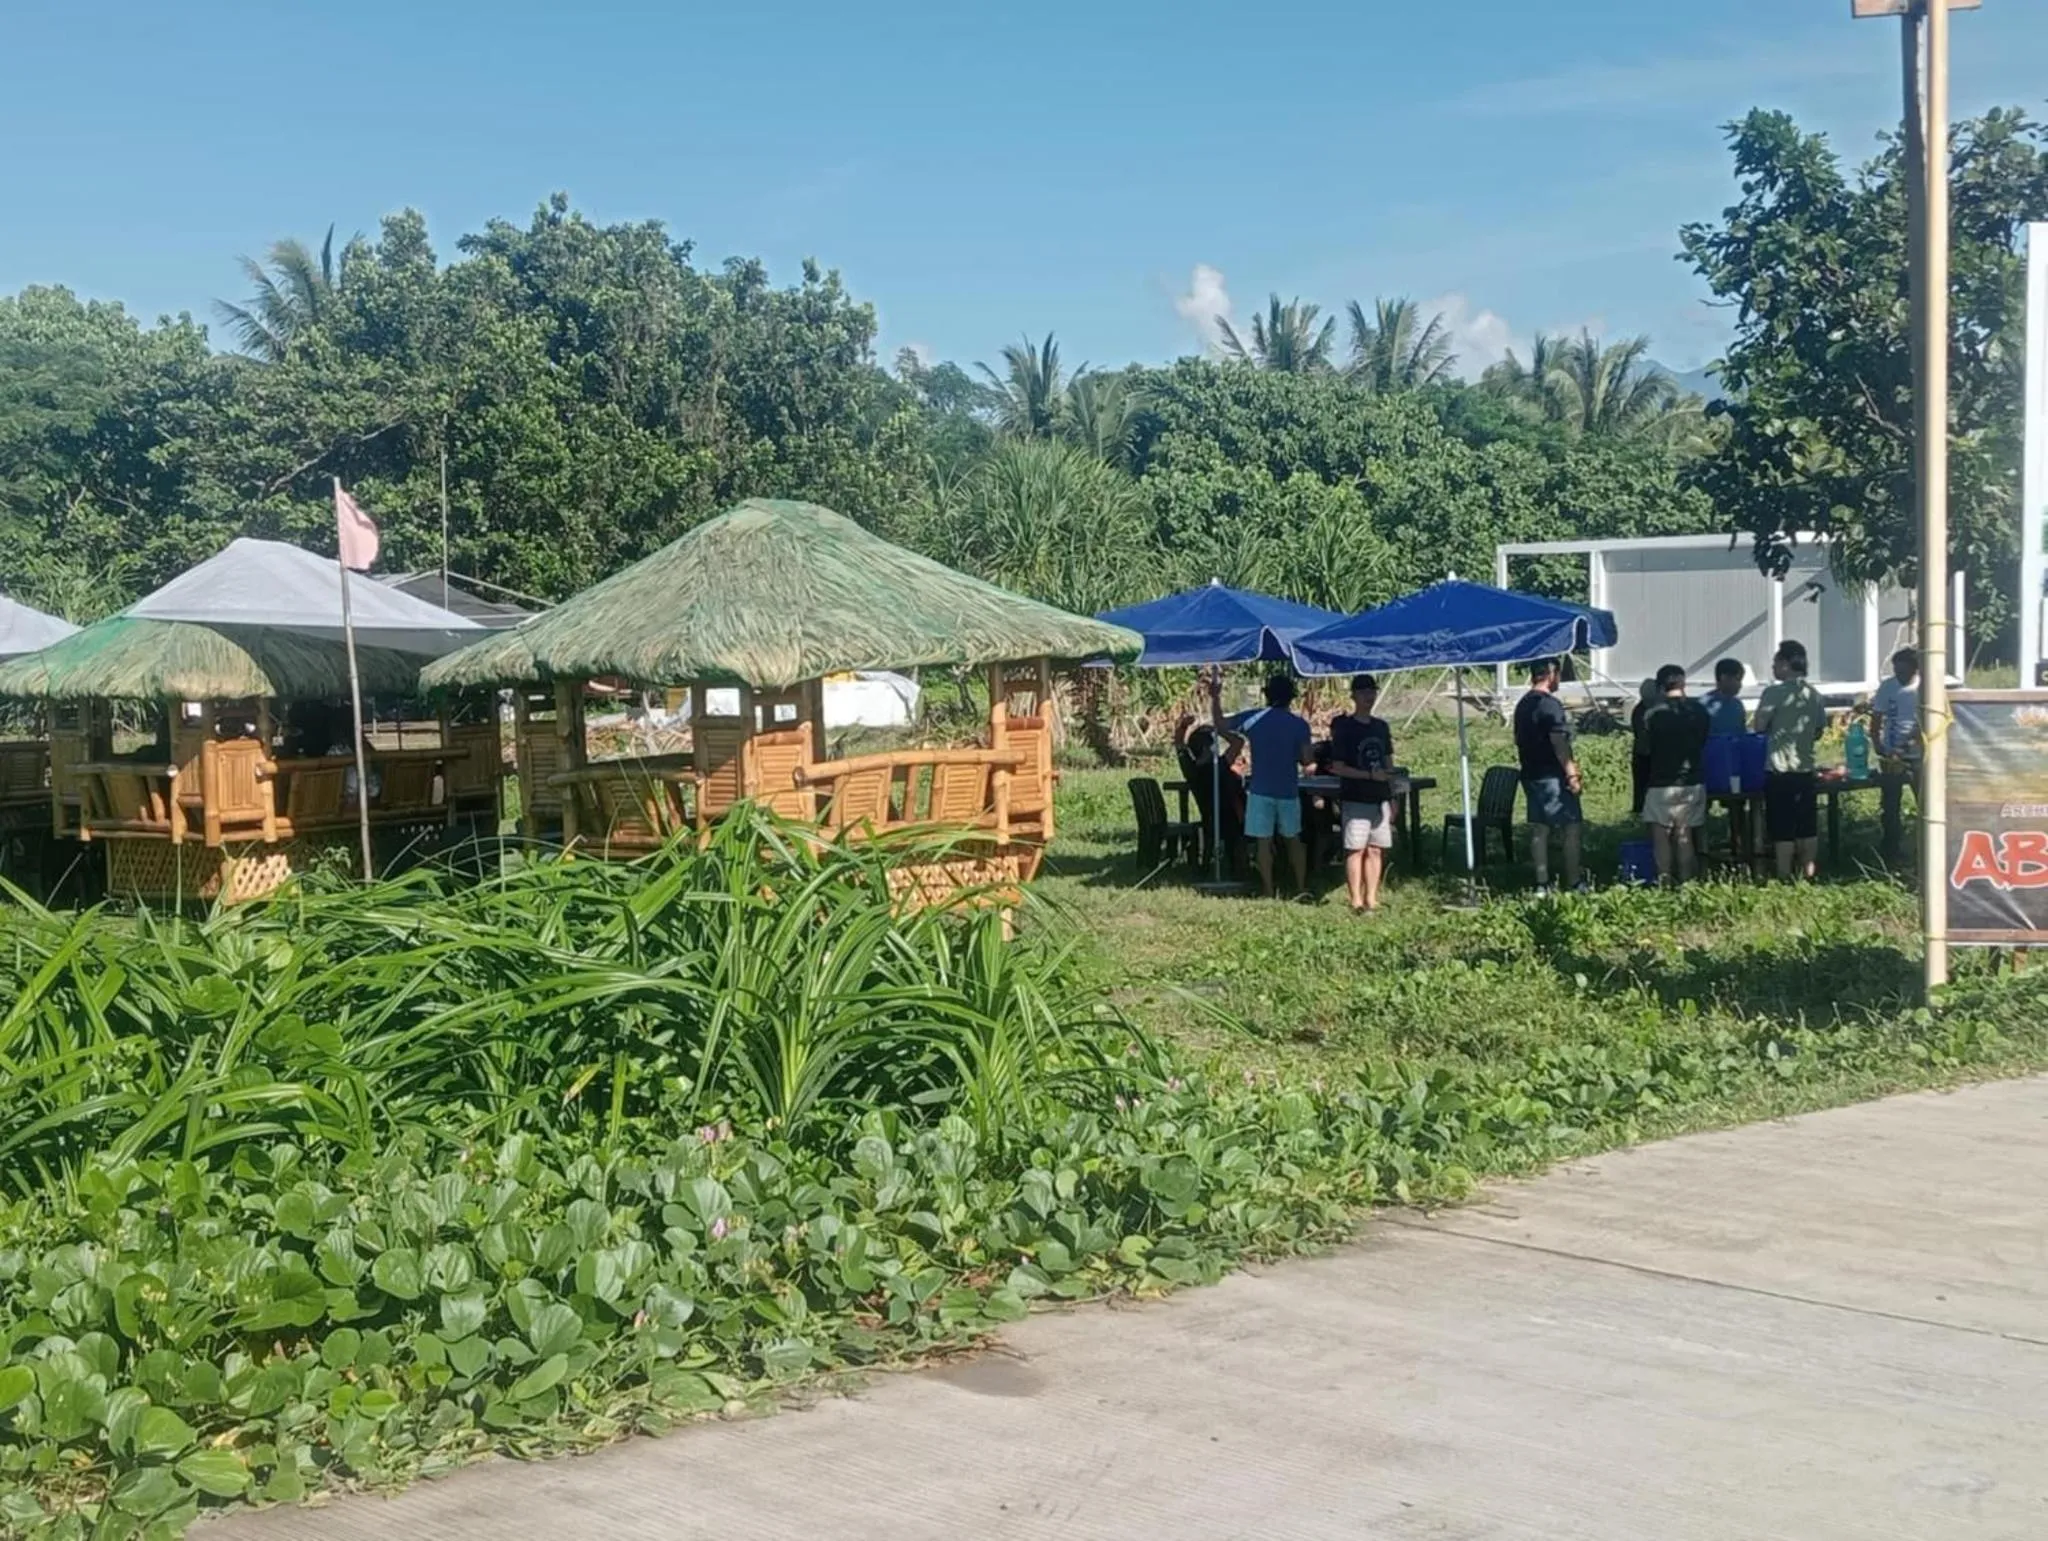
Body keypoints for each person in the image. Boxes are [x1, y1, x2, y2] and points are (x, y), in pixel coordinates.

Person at [1211, 673, 1312, 900]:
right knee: (1294, 840)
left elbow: (1219, 723)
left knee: (1263, 842)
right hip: (1288, 790)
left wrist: (1215, 698)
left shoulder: (1254, 719)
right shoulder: (1299, 725)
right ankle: (1300, 886)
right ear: (1291, 697)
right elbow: (1307, 760)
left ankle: (1267, 889)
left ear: (1267, 695)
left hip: (1260, 790)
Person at [1751, 639, 1826, 881]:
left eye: (1775, 663)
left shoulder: (1774, 692)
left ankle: (1784, 876)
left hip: (1779, 768)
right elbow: (1818, 730)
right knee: (1807, 824)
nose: (1773, 668)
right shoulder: (1813, 694)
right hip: (1805, 768)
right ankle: (1808, 873)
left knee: (1782, 826)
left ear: (1785, 664)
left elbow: (1759, 726)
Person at [1514, 658, 1585, 895]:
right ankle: (1574, 881)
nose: (1560, 680)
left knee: (1540, 828)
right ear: (1551, 674)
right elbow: (1559, 742)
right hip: (1552, 776)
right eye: (1559, 674)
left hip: (1530, 773)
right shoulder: (1550, 705)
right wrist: (1572, 773)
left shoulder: (1523, 705)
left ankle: (1541, 882)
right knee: (1571, 827)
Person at [1328, 674, 1395, 915]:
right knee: (1355, 849)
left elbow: (1389, 763)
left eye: (1372, 691)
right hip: (1355, 797)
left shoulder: (1381, 727)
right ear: (1354, 696)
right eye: (1364, 692)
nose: (1369, 696)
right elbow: (1338, 766)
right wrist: (1368, 776)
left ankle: (1372, 897)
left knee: (1376, 848)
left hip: (1380, 799)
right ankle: (1355, 899)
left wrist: (1392, 795)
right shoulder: (1345, 729)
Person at [1639, 664, 1711, 886]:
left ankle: (1664, 882)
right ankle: (1687, 882)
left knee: (1661, 835)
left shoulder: (1652, 714)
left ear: (1661, 687)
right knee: (1684, 834)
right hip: (1692, 780)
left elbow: (1644, 749)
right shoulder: (1699, 711)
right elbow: (1703, 741)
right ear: (1683, 684)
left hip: (1661, 781)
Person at [1868, 647, 1922, 864]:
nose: (1899, 676)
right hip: (1891, 754)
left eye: (1904, 672)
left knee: (1925, 801)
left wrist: (1909, 744)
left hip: (1918, 752)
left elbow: (1928, 722)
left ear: (1915, 669)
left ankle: (1925, 847)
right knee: (1890, 804)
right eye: (1896, 671)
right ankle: (1890, 849)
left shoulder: (1924, 688)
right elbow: (1877, 717)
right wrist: (1877, 743)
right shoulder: (1888, 687)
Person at [1174, 712, 1246, 869]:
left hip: (1210, 818)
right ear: (1210, 746)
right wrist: (1220, 729)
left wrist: (1183, 726)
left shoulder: (1191, 770)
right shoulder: (1219, 766)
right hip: (1232, 819)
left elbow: (1179, 745)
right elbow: (1238, 742)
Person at [1628, 678, 1657, 817]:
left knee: (1641, 787)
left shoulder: (1639, 709)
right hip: (1647, 754)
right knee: (1644, 787)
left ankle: (1640, 811)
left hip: (1641, 753)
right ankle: (1641, 811)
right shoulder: (1646, 711)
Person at [1704, 658, 1748, 737]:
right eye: (1738, 679)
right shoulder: (1704, 704)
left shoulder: (1738, 705)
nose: (1740, 685)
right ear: (1724, 677)